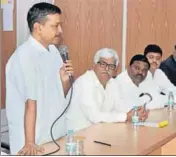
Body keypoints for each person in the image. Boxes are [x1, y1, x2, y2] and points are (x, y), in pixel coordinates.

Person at [6, 2, 73, 155]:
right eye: (55, 26)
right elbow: (31, 102)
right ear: (38, 28)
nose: (60, 31)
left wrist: (65, 82)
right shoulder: (25, 57)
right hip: (33, 142)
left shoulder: (53, 52)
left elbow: (59, 95)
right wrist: (30, 142)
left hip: (54, 135)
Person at [66, 48, 142, 132]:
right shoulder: (84, 83)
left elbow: (120, 106)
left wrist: (136, 113)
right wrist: (126, 116)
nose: (106, 69)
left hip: (97, 132)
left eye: (111, 66)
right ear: (94, 65)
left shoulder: (112, 83)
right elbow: (95, 117)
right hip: (76, 136)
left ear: (115, 69)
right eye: (103, 64)